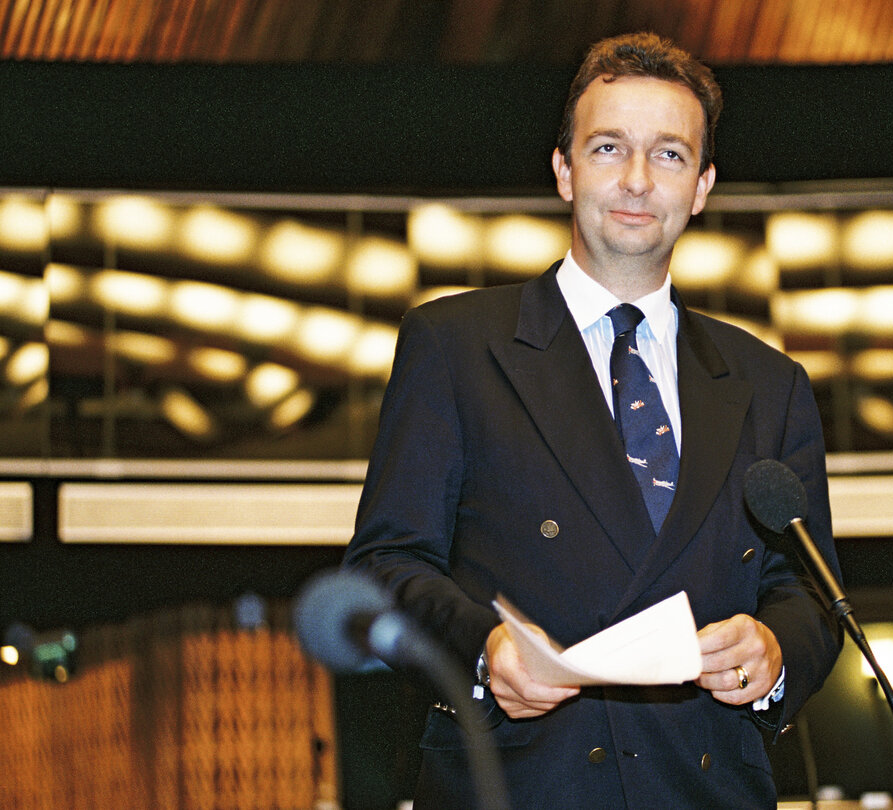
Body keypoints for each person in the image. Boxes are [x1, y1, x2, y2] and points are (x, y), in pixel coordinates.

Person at [344, 31, 842, 809]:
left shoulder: (770, 383)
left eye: (670, 155)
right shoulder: (453, 346)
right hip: (519, 782)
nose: (638, 180)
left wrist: (776, 650)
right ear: (564, 170)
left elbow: (811, 594)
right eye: (609, 147)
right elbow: (384, 567)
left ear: (704, 186)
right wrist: (482, 650)